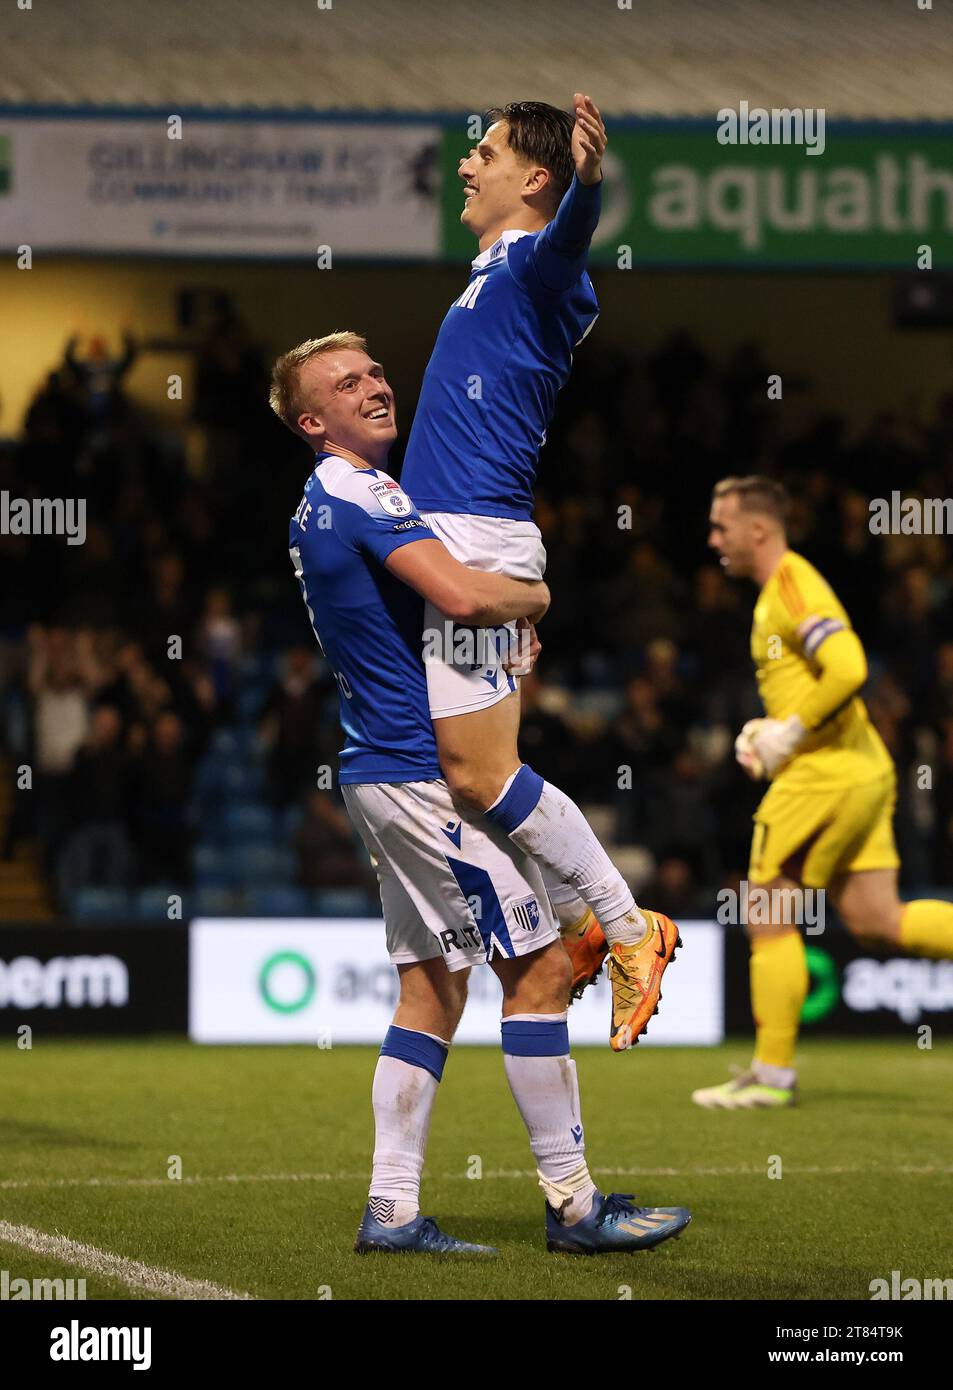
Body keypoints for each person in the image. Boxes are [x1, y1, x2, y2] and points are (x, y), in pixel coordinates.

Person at [270, 332, 691, 1253]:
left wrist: (488, 636)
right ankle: (576, 1208)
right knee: (537, 973)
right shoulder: (363, 490)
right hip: (421, 779)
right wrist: (530, 602)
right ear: (313, 422)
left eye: (376, 370)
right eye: (347, 384)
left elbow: (432, 621)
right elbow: (460, 598)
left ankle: (389, 1214)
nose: (375, 386)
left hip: (381, 771)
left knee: (428, 992)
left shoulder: (319, 504)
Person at [397, 96, 679, 1049]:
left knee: (482, 771)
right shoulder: (492, 272)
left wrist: (591, 184)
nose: (464, 166)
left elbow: (570, 245)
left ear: (536, 180)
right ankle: (577, 922)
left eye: (484, 152)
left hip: (475, 547)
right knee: (465, 778)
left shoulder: (533, 260)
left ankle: (630, 929)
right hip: (457, 545)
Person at [694, 475, 953, 1109]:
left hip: (825, 776)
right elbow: (818, 680)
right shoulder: (781, 590)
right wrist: (775, 727)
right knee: (878, 920)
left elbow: (850, 668)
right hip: (861, 768)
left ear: (759, 529)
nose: (713, 539)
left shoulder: (790, 584)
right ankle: (771, 1069)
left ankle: (773, 1074)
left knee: (766, 912)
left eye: (722, 527)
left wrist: (791, 732)